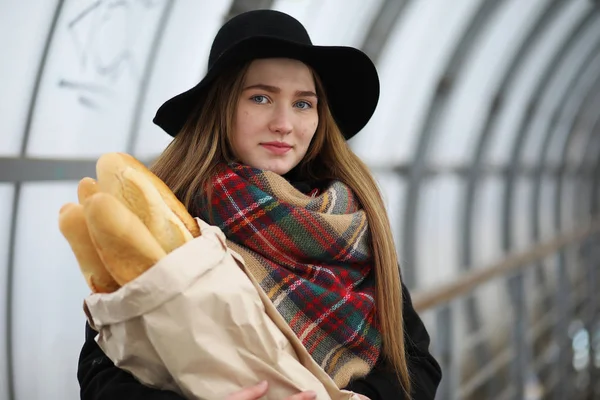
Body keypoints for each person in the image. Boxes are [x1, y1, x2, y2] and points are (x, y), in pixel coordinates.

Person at [77, 9, 441, 400]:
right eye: (261, 97)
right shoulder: (168, 216)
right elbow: (102, 374)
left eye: (303, 103)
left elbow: (417, 365)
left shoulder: (352, 223)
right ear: (221, 107)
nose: (284, 123)